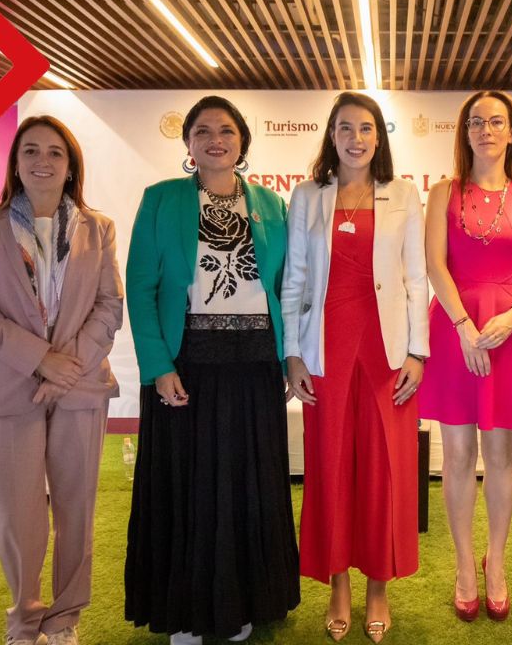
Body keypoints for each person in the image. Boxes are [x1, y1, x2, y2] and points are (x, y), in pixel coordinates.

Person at [123, 95, 299, 644]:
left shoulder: (271, 204)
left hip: (255, 367)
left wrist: (288, 359)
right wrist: (158, 367)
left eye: (226, 130)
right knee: (189, 490)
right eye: (202, 131)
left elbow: (284, 288)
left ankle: (244, 603)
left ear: (242, 142)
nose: (215, 140)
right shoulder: (161, 199)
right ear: (188, 143)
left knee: (249, 487)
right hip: (186, 369)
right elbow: (140, 287)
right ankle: (188, 611)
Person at [0, 115, 124, 645]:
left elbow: (109, 306)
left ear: (71, 165)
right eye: (30, 151)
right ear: (15, 163)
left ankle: (65, 619)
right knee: (14, 514)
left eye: (55, 152)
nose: (43, 161)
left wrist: (66, 366)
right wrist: (39, 360)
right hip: (9, 387)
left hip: (80, 387)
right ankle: (25, 621)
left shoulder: (98, 227)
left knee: (76, 509)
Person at [282, 91, 429, 643]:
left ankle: (378, 586)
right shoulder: (307, 196)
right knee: (331, 467)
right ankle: (338, 585)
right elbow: (295, 279)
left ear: (379, 137)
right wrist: (292, 353)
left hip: (388, 351)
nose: (356, 138)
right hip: (325, 349)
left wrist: (417, 352)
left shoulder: (404, 194)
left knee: (385, 469)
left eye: (366, 128)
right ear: (332, 135)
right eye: (345, 128)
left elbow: (416, 279)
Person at [421, 90, 512, 622]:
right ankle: (464, 567)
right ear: (465, 132)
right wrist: (463, 328)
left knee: (500, 456)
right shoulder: (443, 192)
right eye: (476, 122)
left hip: (507, 329)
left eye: (496, 122)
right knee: (456, 455)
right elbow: (434, 264)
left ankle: (495, 562)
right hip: (455, 327)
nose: (486, 130)